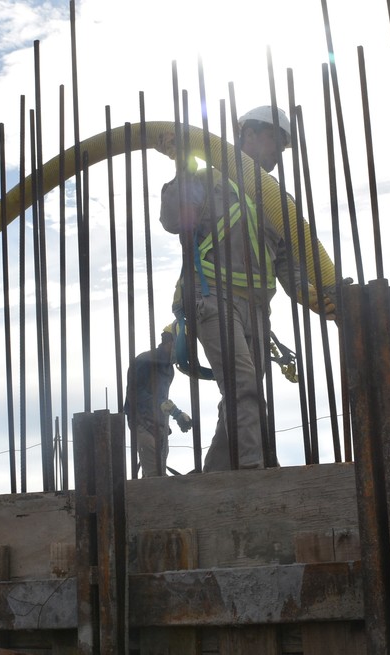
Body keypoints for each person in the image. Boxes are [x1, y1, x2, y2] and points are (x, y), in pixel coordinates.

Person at [159, 104, 334, 472]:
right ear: (249, 134)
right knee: (243, 388)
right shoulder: (211, 180)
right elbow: (175, 220)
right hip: (212, 297)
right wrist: (182, 171)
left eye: (284, 147)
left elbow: (289, 263)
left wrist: (316, 297)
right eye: (275, 140)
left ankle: (215, 479)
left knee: (243, 396)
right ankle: (253, 478)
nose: (279, 152)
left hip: (256, 310)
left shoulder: (275, 201)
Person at [123, 327, 192, 477]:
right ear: (171, 342)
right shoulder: (144, 360)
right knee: (155, 476)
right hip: (143, 424)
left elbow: (162, 398)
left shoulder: (169, 369)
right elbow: (133, 394)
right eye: (184, 345)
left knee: (157, 473)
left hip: (160, 425)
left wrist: (175, 413)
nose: (185, 350)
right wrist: (169, 408)